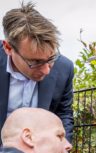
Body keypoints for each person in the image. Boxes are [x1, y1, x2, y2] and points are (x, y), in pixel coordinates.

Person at [0, 1, 74, 144]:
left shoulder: (65, 68)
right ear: (8, 48)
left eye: (51, 58)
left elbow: (64, 113)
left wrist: (61, 146)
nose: (46, 70)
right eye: (35, 62)